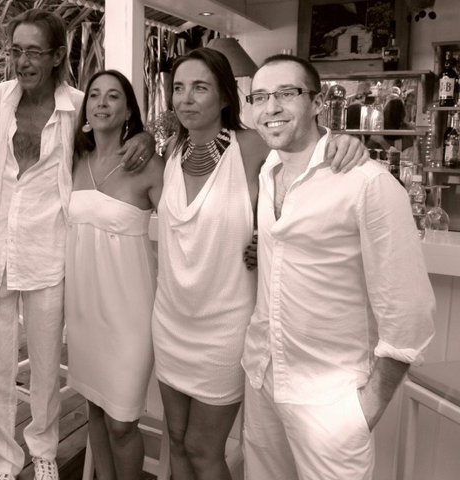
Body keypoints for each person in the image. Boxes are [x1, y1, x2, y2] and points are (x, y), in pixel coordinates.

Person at [151, 47, 367, 480]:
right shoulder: (171, 150)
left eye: (200, 88)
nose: (186, 98)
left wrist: (343, 139)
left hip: (224, 326)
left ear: (225, 97)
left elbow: (304, 160)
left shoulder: (251, 147)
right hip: (170, 319)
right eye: (179, 88)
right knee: (175, 441)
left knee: (203, 450)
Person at [0, 10, 155, 480]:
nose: (23, 61)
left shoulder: (78, 107)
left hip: (50, 254)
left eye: (34, 52)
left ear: (56, 56)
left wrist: (148, 136)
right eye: (16, 51)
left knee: (47, 366)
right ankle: (4, 463)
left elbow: (119, 128)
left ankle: (44, 452)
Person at [241, 54, 435, 480]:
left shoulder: (367, 183)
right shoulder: (268, 170)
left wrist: (365, 409)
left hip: (330, 401)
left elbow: (409, 312)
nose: (271, 107)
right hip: (263, 377)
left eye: (286, 93)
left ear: (316, 102)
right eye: (260, 96)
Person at [65, 70, 164, 480]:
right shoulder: (72, 160)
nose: (102, 103)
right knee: (95, 409)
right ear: (85, 108)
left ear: (128, 111)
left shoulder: (148, 165)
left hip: (130, 314)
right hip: (83, 310)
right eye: (94, 96)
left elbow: (187, 226)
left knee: (122, 423)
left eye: (113, 96)